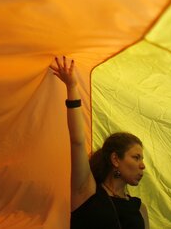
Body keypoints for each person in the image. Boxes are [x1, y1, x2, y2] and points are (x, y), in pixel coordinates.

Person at [51, 56, 149, 229]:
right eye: (136, 157)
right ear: (115, 159)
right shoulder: (86, 192)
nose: (142, 166)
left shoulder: (140, 208)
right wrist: (72, 87)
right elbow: (77, 142)